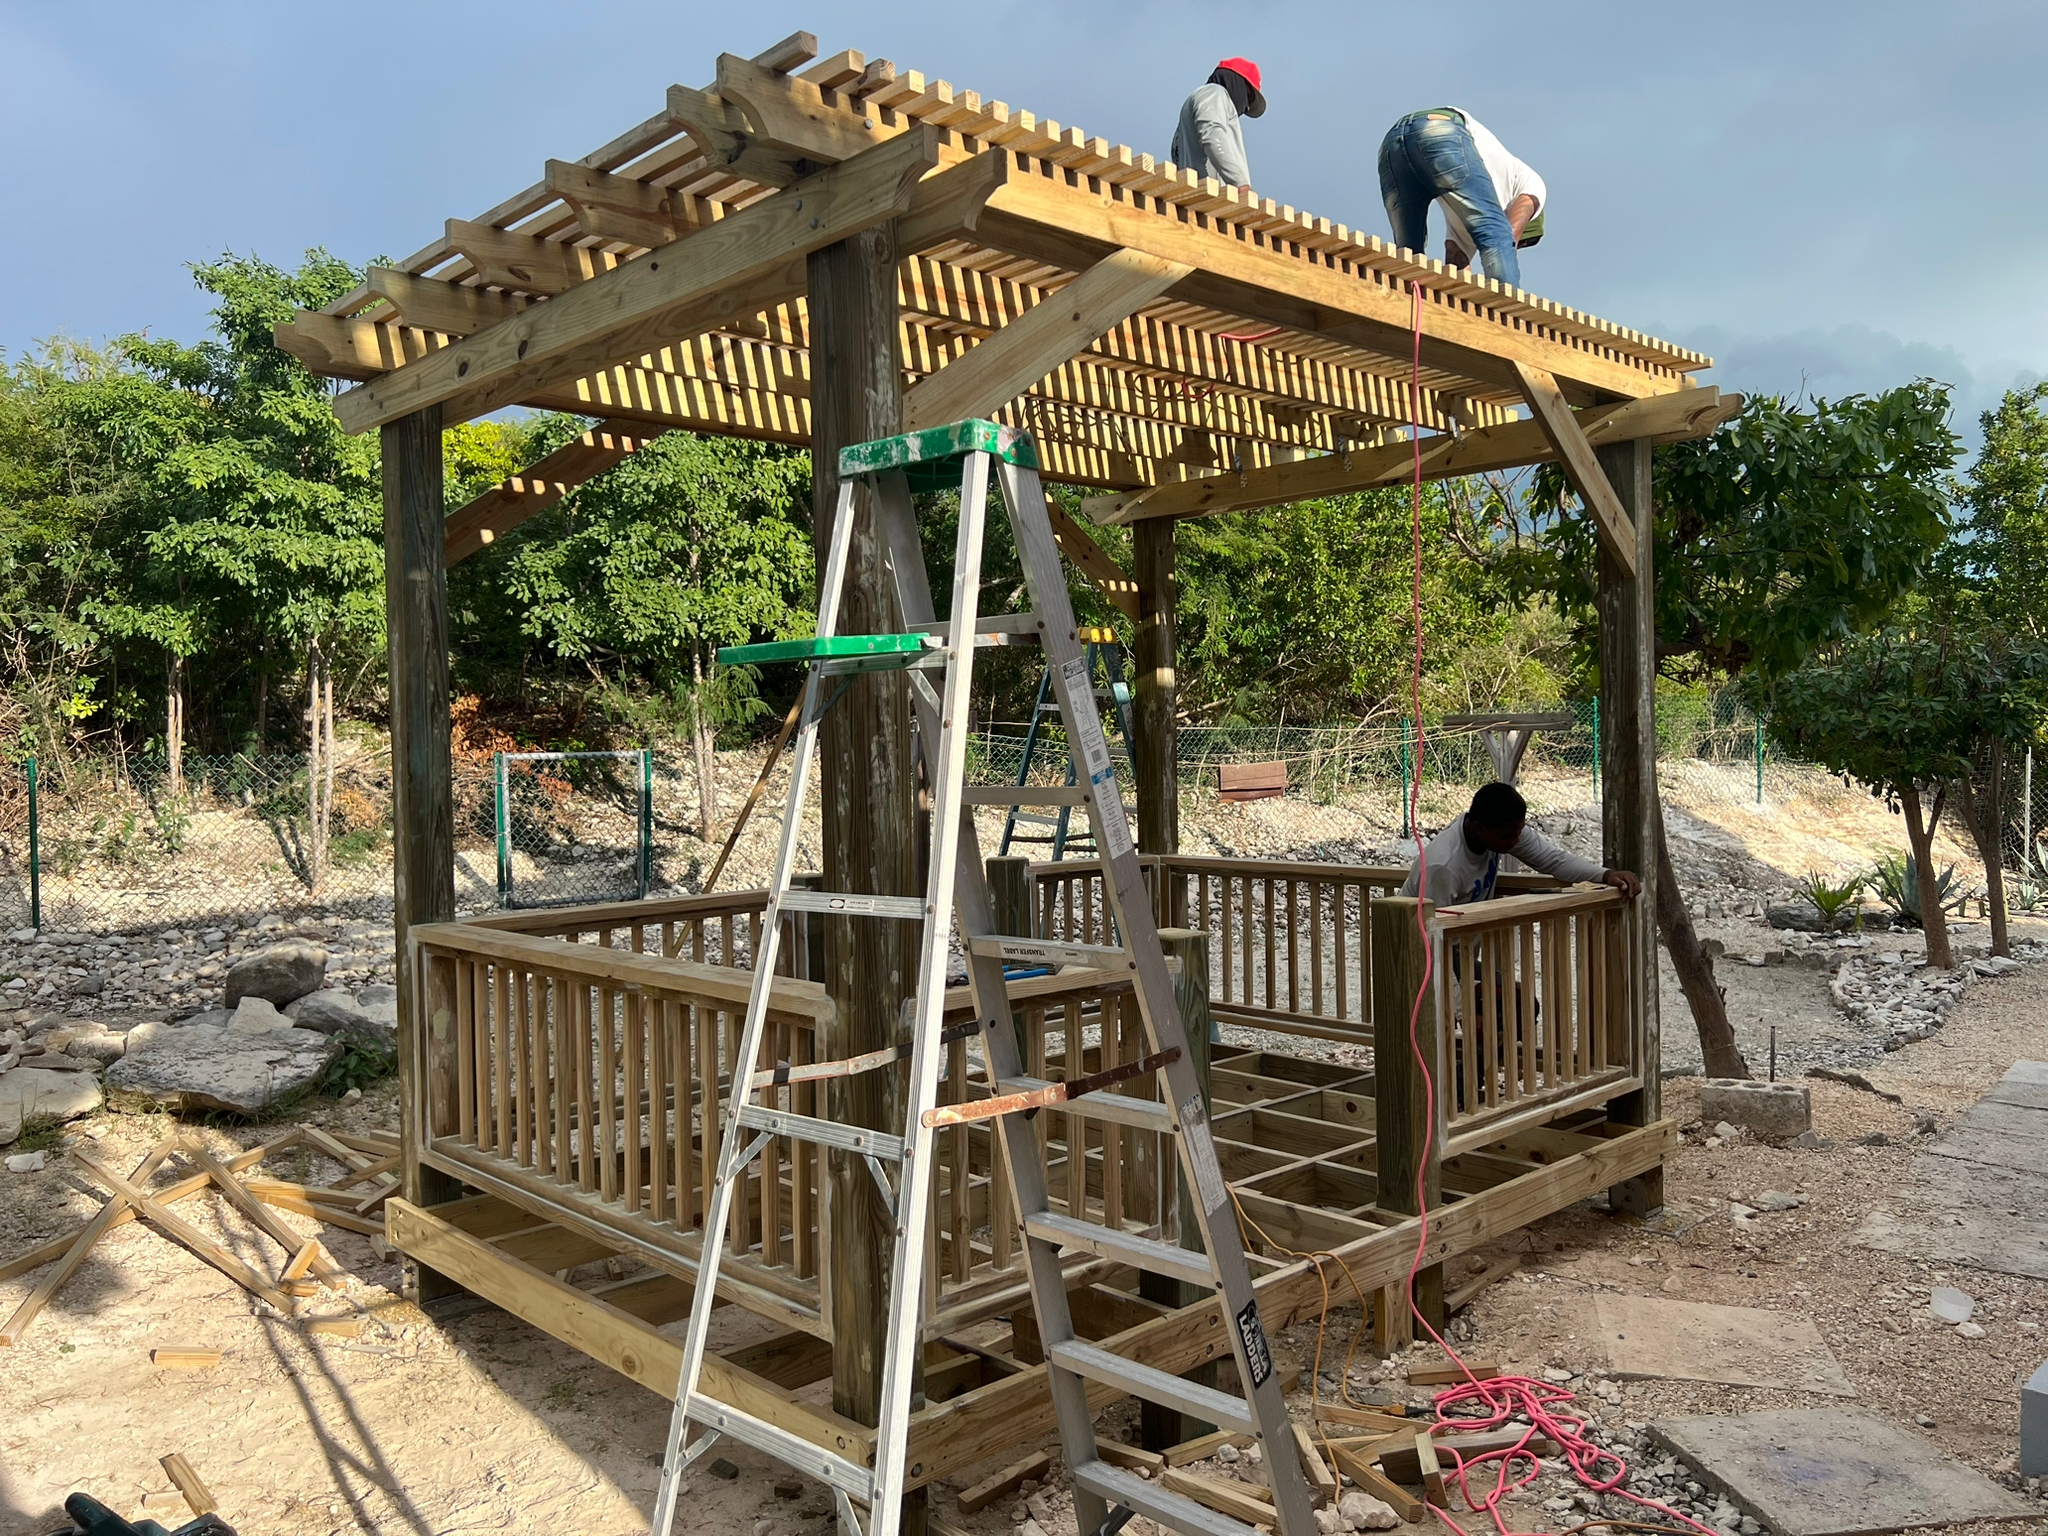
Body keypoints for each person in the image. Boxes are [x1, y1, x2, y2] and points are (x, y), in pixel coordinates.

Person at [1401, 781, 1640, 908]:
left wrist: (1606, 875)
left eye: (1519, 832)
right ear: (1479, 828)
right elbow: (1431, 933)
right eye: (1507, 837)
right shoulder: (1443, 865)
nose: (1515, 841)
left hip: (1456, 949)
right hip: (1419, 955)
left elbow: (1553, 860)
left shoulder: (1503, 831)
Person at [1377, 108, 1545, 287]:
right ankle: (1506, 313)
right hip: (1440, 129)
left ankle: (1408, 303)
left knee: (1409, 254)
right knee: (1498, 236)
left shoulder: (1468, 214)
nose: (1517, 247)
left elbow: (1455, 266)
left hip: (1392, 144)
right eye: (1521, 244)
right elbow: (1509, 234)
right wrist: (1507, 254)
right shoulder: (1532, 184)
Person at [1171, 57, 1266, 194]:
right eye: (1249, 97)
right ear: (1235, 81)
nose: (1247, 107)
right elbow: (1213, 135)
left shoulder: (1186, 124)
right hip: (1213, 201)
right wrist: (1240, 183)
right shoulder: (1214, 93)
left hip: (1199, 202)